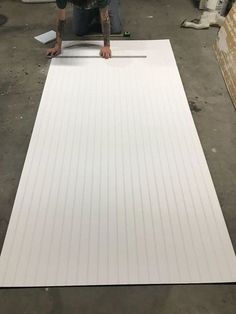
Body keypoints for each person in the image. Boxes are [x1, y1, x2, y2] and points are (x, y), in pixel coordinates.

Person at [47, 0, 122, 59]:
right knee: (79, 31)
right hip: (84, 4)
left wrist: (106, 46)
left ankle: (102, 8)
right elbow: (61, 18)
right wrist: (58, 45)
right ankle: (94, 12)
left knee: (115, 29)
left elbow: (105, 19)